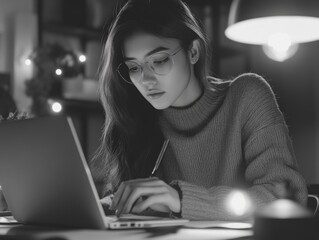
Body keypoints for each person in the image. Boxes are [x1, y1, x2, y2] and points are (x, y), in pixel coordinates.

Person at [89, 0, 307, 221]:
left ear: (193, 51)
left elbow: (285, 199)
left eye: (160, 60)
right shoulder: (138, 118)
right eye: (134, 67)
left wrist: (181, 200)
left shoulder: (246, 96)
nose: (145, 80)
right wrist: (117, 204)